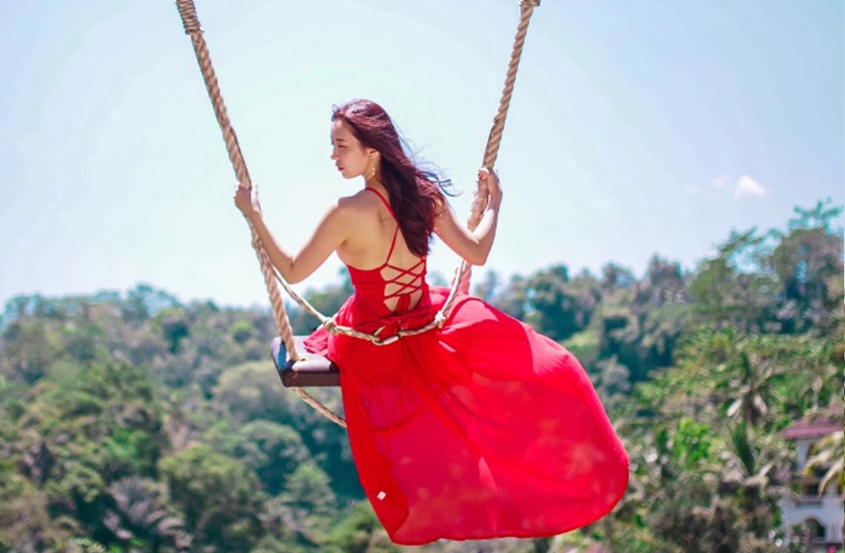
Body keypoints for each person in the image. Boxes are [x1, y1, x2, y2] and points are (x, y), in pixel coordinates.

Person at [234, 99, 628, 546]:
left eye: (341, 146)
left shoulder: (346, 212)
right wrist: (495, 205)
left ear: (372, 151)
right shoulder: (425, 198)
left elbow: (291, 269)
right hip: (427, 326)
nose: (333, 156)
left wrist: (253, 214)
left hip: (374, 339)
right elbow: (477, 251)